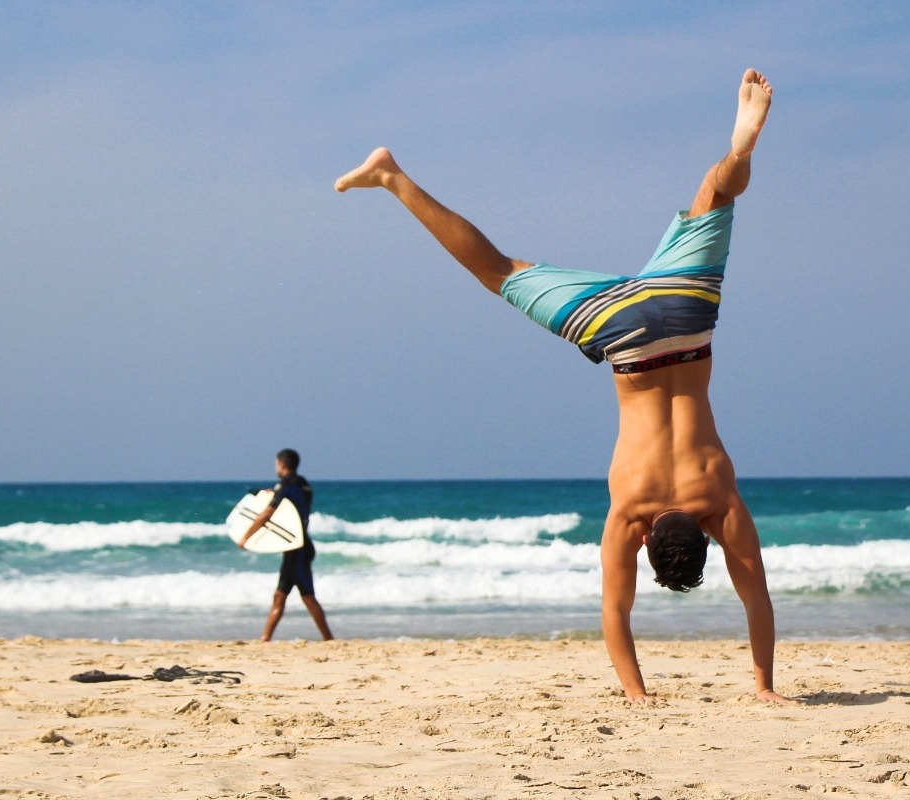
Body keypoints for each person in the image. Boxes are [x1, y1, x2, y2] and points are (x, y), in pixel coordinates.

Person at [335, 69, 788, 704]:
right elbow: (616, 612)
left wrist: (764, 684)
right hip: (623, 339)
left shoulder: (719, 501)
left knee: (717, 194)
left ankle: (738, 151)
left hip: (684, 316)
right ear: (647, 542)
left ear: (703, 535)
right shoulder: (631, 512)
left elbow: (758, 599)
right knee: (498, 271)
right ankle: (391, 177)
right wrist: (638, 692)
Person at [237, 448, 334, 642]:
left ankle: (329, 639)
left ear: (281, 464)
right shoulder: (303, 485)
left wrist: (246, 537)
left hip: (297, 549)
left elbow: (267, 514)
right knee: (279, 595)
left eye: (275, 464)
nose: (275, 467)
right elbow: (293, 503)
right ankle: (265, 638)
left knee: (307, 596)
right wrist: (271, 492)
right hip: (298, 547)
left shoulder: (286, 486)